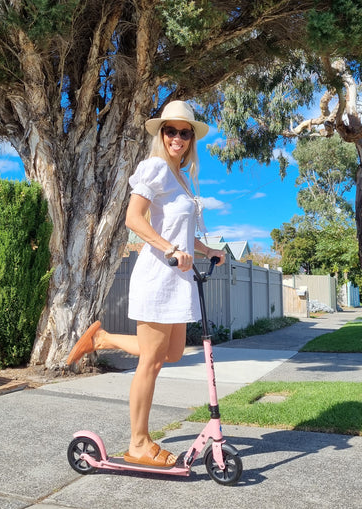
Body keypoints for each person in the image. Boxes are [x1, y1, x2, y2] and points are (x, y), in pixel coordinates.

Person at [66, 100, 225, 468]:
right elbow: (133, 219)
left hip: (178, 277)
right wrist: (170, 248)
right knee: (151, 363)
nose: (178, 138)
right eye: (171, 130)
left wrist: (206, 249)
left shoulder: (182, 177)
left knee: (171, 354)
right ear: (161, 133)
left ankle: (102, 339)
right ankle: (138, 442)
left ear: (191, 139)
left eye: (185, 132)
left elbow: (181, 232)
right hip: (157, 275)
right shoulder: (154, 168)